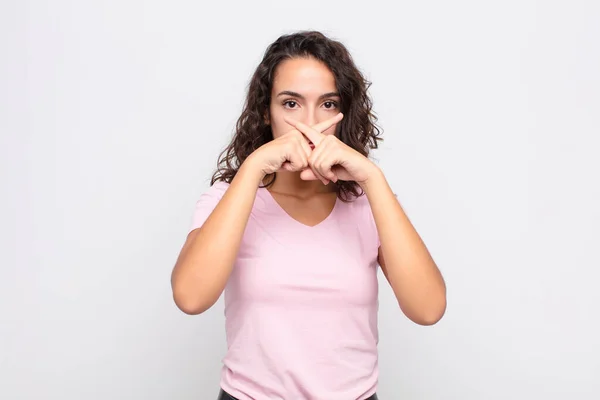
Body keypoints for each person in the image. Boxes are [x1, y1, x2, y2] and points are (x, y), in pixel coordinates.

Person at [171, 30, 447, 400]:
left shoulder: (369, 203)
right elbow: (190, 297)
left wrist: (372, 178)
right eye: (291, 104)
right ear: (266, 112)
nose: (309, 123)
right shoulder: (229, 199)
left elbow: (428, 309)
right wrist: (252, 169)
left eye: (328, 104)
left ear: (344, 112)